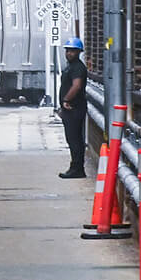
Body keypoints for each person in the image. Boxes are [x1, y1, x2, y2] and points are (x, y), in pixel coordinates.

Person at [58, 37, 88, 178]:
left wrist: (66, 100)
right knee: (72, 139)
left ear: (79, 52)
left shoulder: (78, 67)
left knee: (74, 139)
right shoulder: (71, 66)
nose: (69, 53)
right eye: (68, 50)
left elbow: (76, 86)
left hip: (74, 109)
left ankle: (77, 168)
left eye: (73, 51)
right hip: (70, 109)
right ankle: (76, 167)